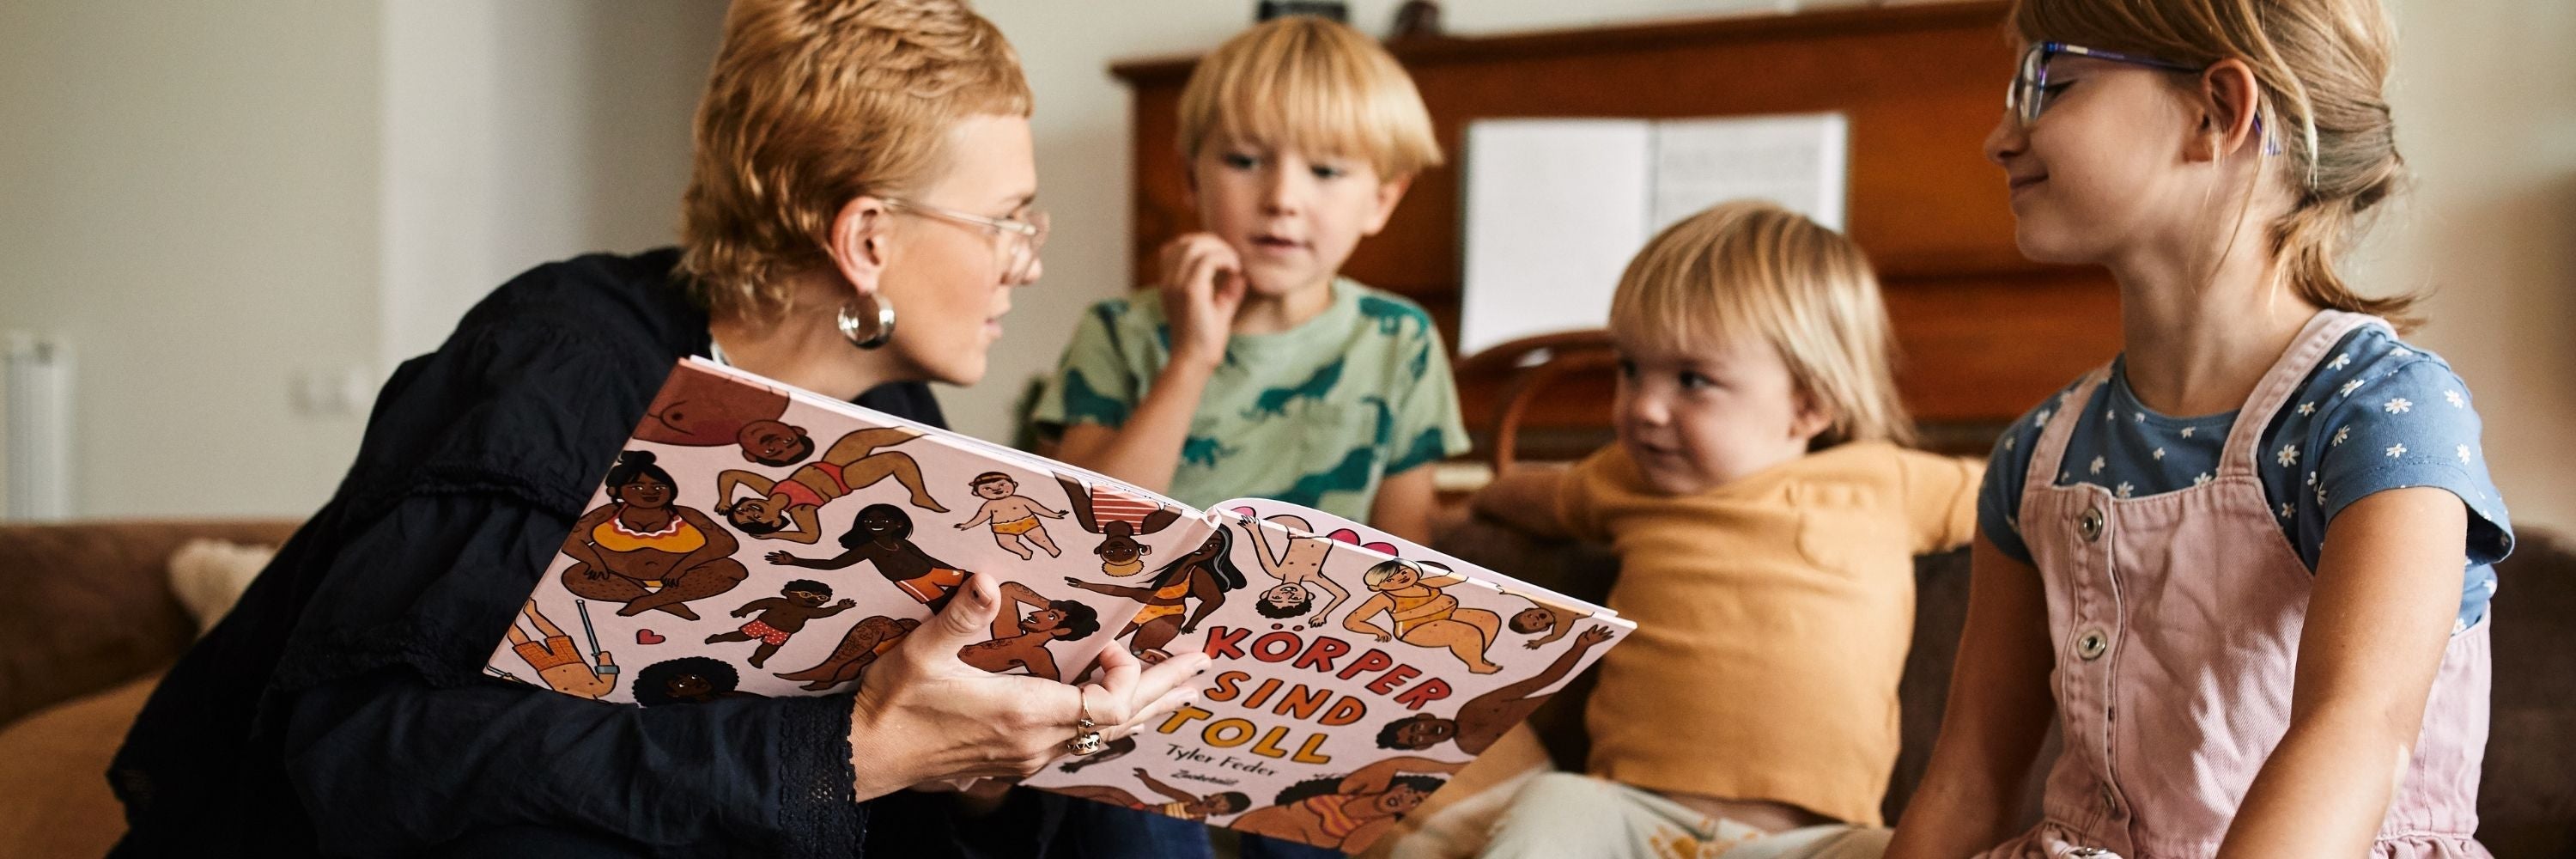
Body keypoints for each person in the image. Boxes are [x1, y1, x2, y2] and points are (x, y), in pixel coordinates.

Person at [107, 2, 1207, 856]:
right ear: (867, 238)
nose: (1031, 255)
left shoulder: (900, 420)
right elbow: (378, 757)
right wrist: (852, 752)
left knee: (1115, 798)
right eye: (1009, 219)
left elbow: (864, 778)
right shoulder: (554, 360)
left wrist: (986, 760)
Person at [1886, 2, 2508, 856]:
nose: (1999, 137)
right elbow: (1969, 778)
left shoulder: (2382, 416)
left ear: (2217, 110)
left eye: (2047, 85)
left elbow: (2360, 732)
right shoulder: (2035, 457)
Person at [1030, 17, 1467, 856]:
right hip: (1136, 672)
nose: (1283, 198)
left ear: (1384, 198)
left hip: (1307, 684)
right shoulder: (1120, 330)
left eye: (1327, 170)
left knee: (1317, 821)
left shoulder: (1400, 339)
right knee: (1130, 824)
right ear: (1190, 175)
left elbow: (1410, 556)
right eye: (1244, 160)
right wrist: (1194, 353)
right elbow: (1082, 535)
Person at [1470, 202, 1983, 858]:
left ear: (1809, 403)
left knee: (1897, 851)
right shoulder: (1623, 478)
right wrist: (1468, 505)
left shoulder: (1888, 482)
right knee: (1552, 800)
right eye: (1630, 368)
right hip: (1628, 814)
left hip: (1809, 839)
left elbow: (2023, 495)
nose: (1646, 407)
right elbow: (1540, 496)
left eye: (1693, 379)